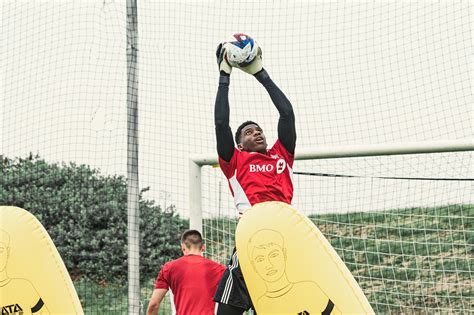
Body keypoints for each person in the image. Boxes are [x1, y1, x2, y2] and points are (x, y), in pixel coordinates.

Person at [213, 35, 297, 315]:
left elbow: (287, 114)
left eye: (259, 129)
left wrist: (260, 72)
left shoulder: (280, 155)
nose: (257, 132)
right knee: (226, 312)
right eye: (249, 132)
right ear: (239, 144)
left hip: (284, 237)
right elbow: (221, 123)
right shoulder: (234, 160)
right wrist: (225, 75)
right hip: (252, 238)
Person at [146, 229, 226, 315]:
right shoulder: (219, 269)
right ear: (203, 247)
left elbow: (153, 305)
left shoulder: (168, 268)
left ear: (183, 247)